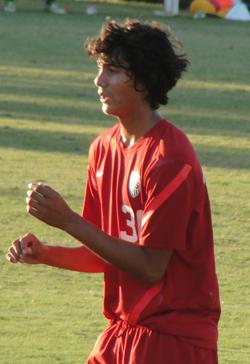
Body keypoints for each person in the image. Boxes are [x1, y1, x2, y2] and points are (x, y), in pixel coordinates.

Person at [6, 19, 220, 363]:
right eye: (99, 68)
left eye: (111, 70)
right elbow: (101, 251)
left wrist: (67, 220)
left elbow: (151, 268)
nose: (99, 81)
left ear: (144, 81)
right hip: (120, 333)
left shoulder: (170, 159)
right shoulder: (103, 149)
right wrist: (46, 254)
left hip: (172, 338)